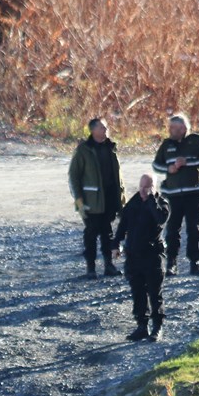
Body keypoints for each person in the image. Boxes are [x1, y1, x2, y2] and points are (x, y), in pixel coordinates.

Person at [151, 114, 199, 277]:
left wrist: (187, 163)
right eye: (170, 127)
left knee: (194, 230)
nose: (171, 130)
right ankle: (171, 263)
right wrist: (168, 168)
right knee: (172, 231)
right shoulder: (166, 144)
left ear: (184, 128)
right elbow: (156, 165)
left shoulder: (197, 141)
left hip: (194, 194)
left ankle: (195, 263)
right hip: (173, 196)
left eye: (175, 128)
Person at [113, 175, 170, 342]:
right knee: (138, 292)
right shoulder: (134, 202)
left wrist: (151, 199)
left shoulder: (161, 204)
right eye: (141, 186)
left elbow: (160, 219)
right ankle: (142, 326)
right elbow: (122, 225)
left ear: (154, 187)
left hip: (153, 256)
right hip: (133, 256)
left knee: (154, 292)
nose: (143, 190)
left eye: (147, 187)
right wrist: (115, 244)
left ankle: (157, 327)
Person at [68, 117, 124, 279]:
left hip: (110, 199)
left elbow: (118, 177)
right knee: (91, 235)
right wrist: (78, 200)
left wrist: (121, 199)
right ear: (92, 130)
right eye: (101, 128)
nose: (105, 130)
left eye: (106, 127)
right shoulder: (83, 150)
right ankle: (91, 269)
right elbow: (73, 176)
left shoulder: (111, 148)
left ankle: (109, 265)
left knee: (108, 233)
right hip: (90, 202)